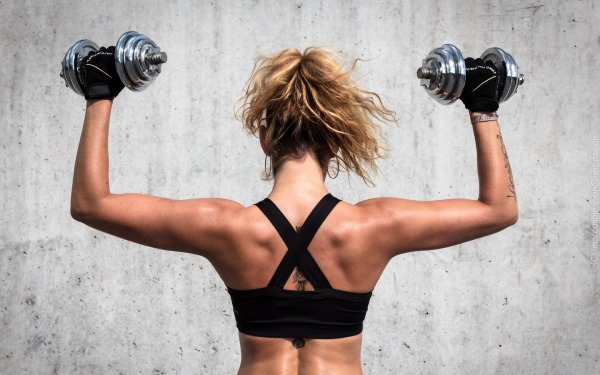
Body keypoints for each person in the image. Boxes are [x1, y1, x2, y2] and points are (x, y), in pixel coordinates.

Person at [70, 46, 518, 375]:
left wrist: (99, 90)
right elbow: (499, 210)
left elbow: (91, 205)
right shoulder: (374, 226)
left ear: (265, 138)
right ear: (338, 139)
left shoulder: (226, 227)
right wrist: (482, 106)